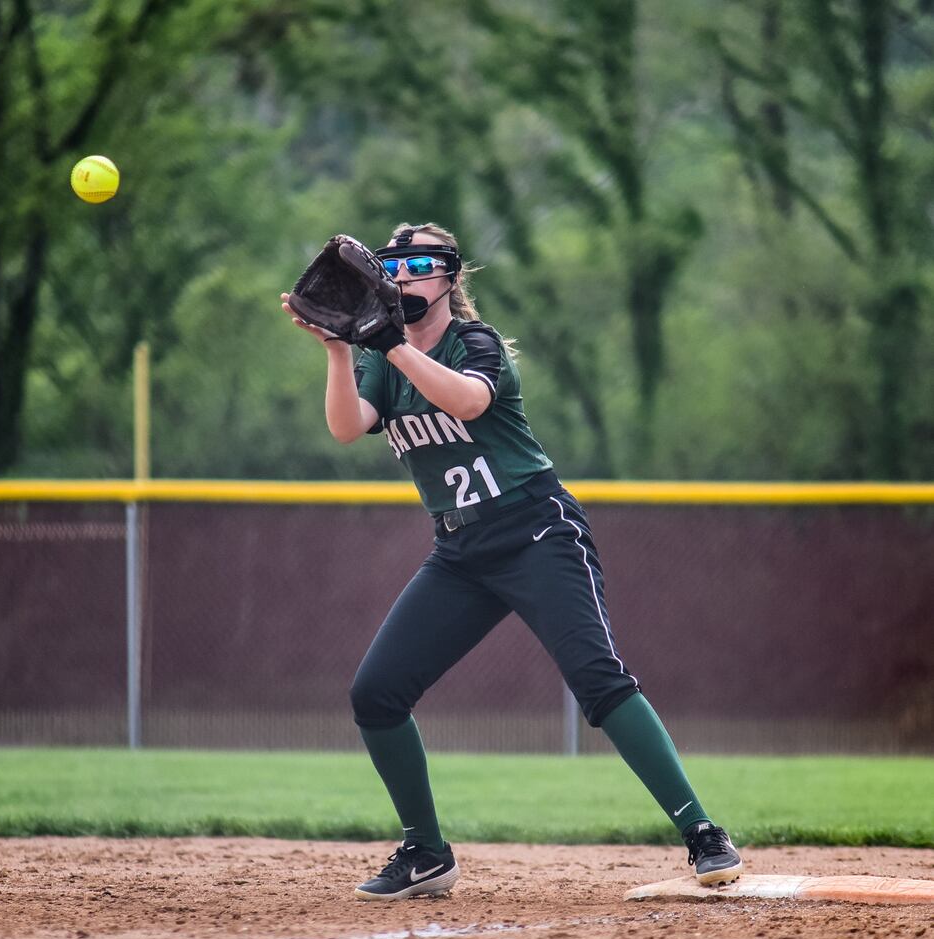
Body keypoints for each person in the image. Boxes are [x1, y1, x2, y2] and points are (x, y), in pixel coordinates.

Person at [280, 222, 741, 901]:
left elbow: (465, 400)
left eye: (417, 267)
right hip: (459, 552)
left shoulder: (476, 343)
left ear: (448, 279)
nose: (402, 278)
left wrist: (388, 345)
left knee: (599, 680)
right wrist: (338, 351)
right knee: (374, 695)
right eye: (391, 267)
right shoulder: (380, 355)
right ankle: (426, 853)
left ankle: (702, 832)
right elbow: (347, 428)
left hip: (534, 532)